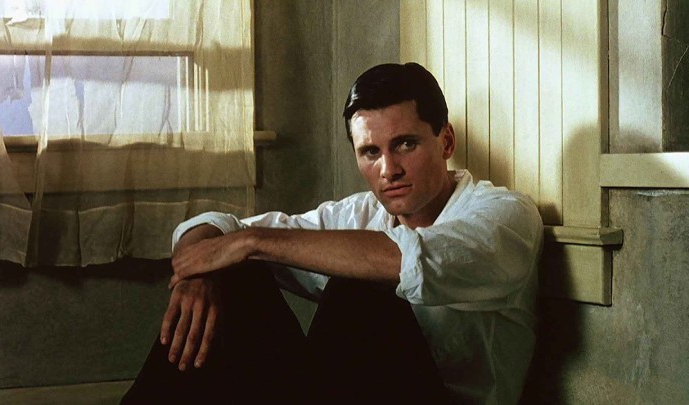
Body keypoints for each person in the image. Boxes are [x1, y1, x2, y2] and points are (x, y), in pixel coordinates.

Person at [121, 62, 543, 404]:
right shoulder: (359, 214)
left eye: (405, 144)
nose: (388, 170)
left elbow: (411, 260)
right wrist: (198, 274)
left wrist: (251, 242)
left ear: (446, 141)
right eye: (370, 152)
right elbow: (216, 227)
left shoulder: (505, 216)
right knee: (237, 275)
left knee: (360, 289)